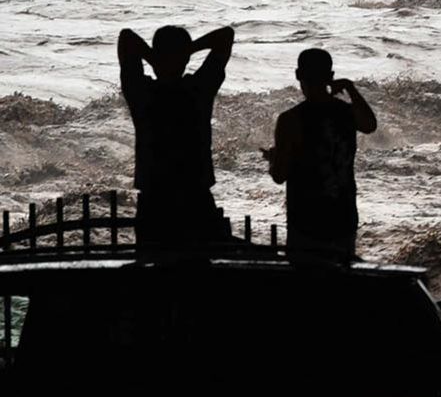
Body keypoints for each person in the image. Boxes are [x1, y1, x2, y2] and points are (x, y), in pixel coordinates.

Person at [118, 25, 234, 247]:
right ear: (186, 59)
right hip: (196, 196)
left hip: (154, 199)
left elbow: (127, 39)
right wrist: (188, 50)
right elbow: (225, 36)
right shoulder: (199, 89)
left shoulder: (141, 92)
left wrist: (155, 58)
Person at [261, 48, 377, 262]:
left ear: (297, 74)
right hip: (343, 215)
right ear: (330, 77)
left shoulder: (291, 119)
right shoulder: (346, 112)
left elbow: (279, 175)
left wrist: (272, 159)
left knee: (308, 285)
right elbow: (370, 125)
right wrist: (351, 89)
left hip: (306, 219)